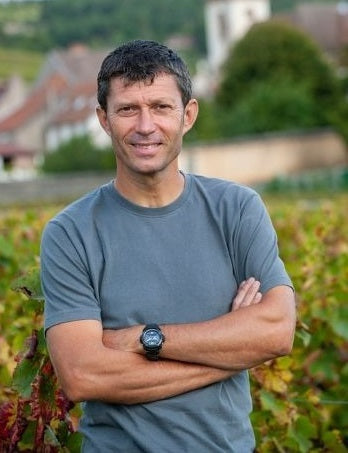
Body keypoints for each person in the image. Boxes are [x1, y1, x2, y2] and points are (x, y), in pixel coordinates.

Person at [41, 39, 296, 452]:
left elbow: (277, 332)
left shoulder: (237, 209)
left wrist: (145, 338)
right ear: (104, 119)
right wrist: (231, 352)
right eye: (127, 109)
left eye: (161, 107)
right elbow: (83, 375)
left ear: (188, 115)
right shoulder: (70, 233)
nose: (145, 126)